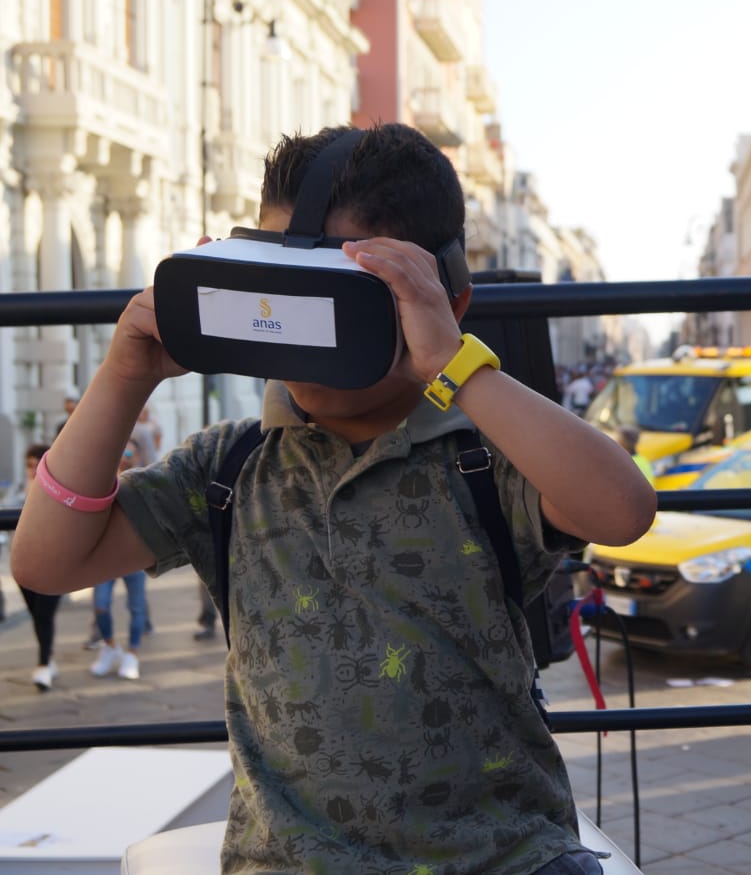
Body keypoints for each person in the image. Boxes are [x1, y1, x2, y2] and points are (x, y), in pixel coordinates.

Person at [11, 123, 657, 874]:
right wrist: (125, 374)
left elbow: (623, 510)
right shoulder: (230, 468)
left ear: (445, 300)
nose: (306, 338)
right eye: (284, 292)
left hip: (503, 854)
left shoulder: (487, 457)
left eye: (343, 299)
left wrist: (453, 363)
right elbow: (45, 562)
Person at [86, 441, 151, 680]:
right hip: (106, 558)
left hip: (134, 557)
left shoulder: (145, 481)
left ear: (138, 455)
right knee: (100, 605)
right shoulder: (103, 481)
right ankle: (111, 647)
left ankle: (132, 654)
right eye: (121, 451)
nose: (124, 456)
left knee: (136, 607)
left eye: (129, 452)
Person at [6, 444, 62, 690]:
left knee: (43, 615)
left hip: (54, 565)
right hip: (24, 564)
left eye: (37, 464)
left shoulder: (59, 489)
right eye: (29, 465)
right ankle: (48, 659)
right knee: (36, 615)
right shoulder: (19, 489)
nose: (32, 469)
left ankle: (43, 665)